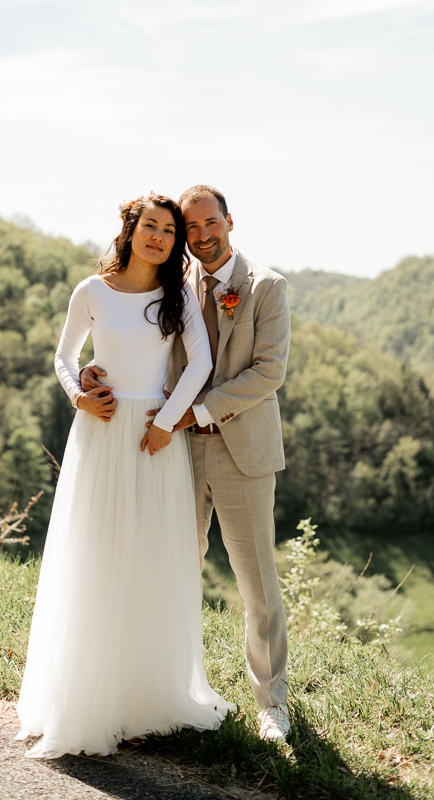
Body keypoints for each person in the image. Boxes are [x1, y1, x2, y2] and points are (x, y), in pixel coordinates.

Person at [16, 193, 232, 759]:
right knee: (97, 555)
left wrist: (166, 422)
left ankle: (141, 703)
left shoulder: (176, 295)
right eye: (151, 226)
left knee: (147, 560)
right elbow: (65, 356)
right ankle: (91, 699)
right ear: (131, 231)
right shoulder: (91, 292)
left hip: (154, 439)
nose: (160, 236)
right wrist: (78, 397)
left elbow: (203, 363)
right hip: (101, 432)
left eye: (168, 230)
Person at [82, 186, 291, 742]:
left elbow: (268, 373)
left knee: (257, 585)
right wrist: (89, 374)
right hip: (175, 451)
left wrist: (193, 412)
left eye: (208, 223)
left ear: (229, 221)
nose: (199, 235)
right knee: (172, 569)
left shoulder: (267, 286)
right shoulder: (174, 285)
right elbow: (129, 340)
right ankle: (162, 690)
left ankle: (272, 704)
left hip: (241, 452)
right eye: (189, 228)